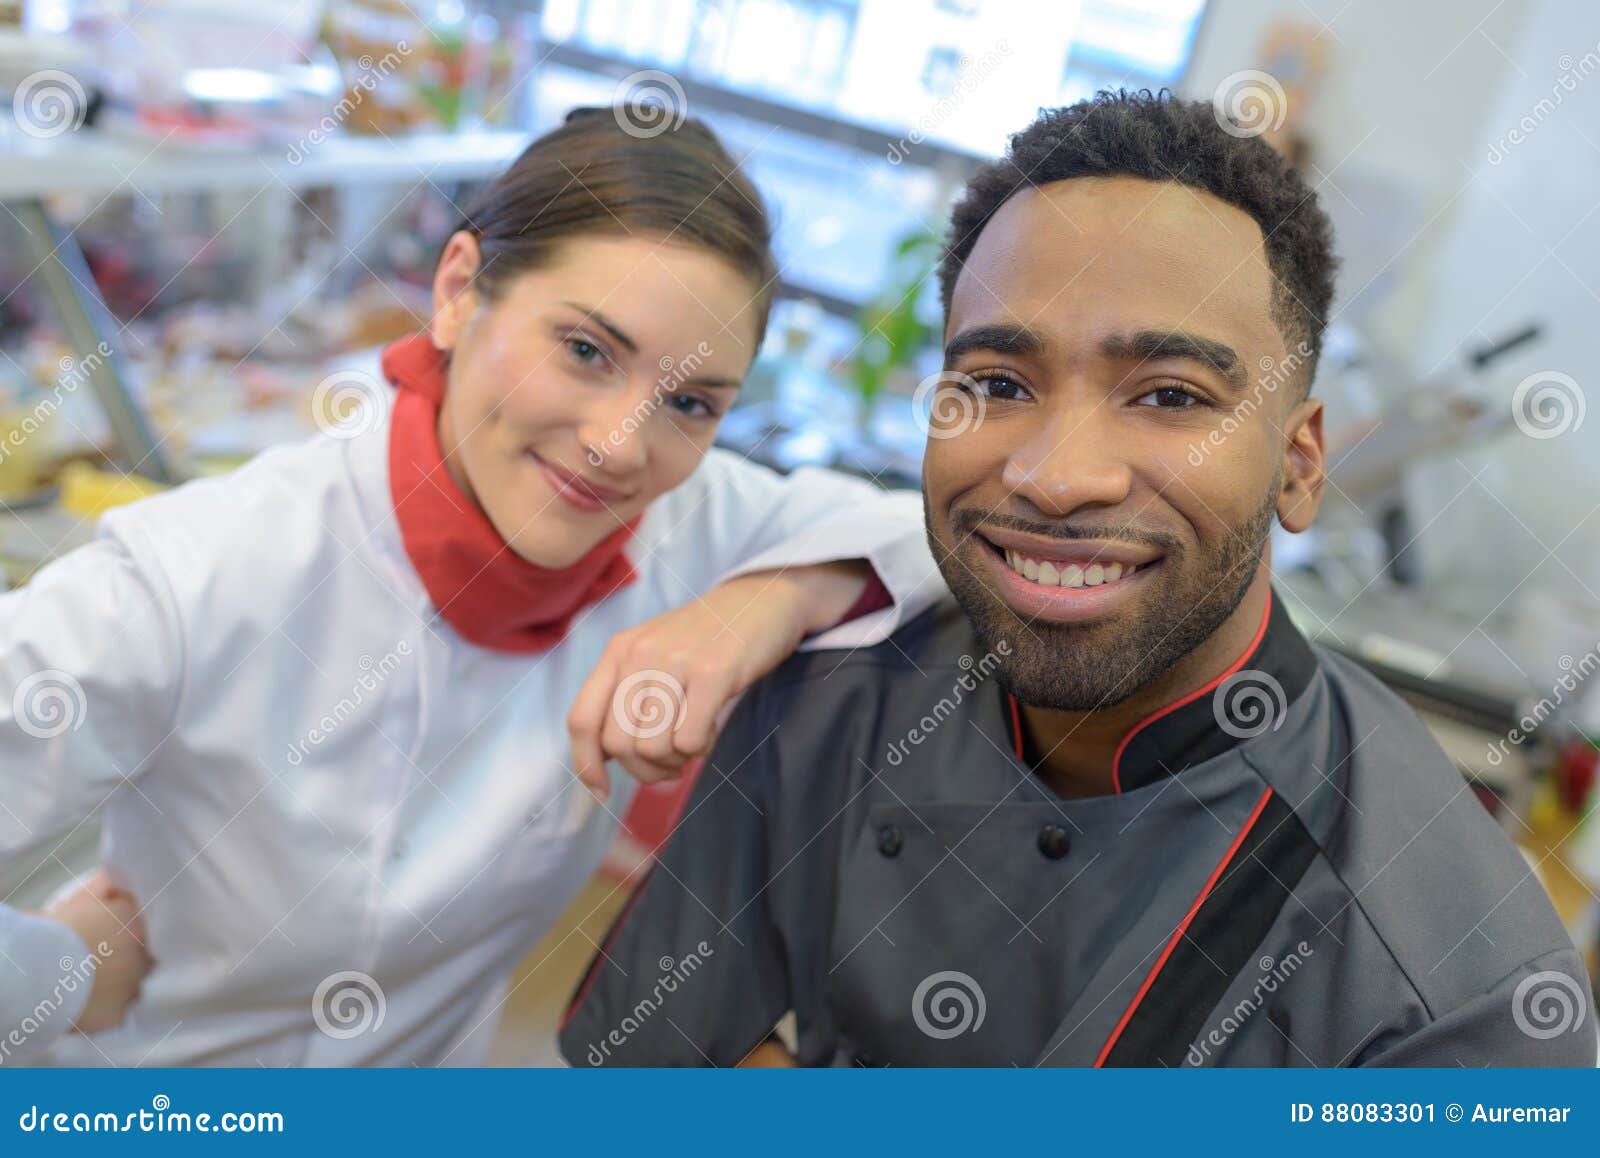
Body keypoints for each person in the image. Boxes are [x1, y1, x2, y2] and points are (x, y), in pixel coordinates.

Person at [559, 91, 1599, 1068]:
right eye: (999, 384)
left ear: (1299, 461)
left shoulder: (1461, 991)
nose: (1056, 479)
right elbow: (652, 1060)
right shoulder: (829, 699)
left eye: (1169, 395)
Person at [0, 107, 940, 1066]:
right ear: (457, 292)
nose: (619, 446)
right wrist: (60, 975)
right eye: (584, 350)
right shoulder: (197, 573)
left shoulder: (687, 515)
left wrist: (762, 602)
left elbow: (945, 535)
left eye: (691, 403)